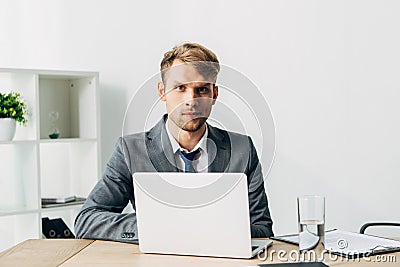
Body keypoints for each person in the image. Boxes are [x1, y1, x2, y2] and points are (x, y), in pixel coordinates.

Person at [74, 43, 273, 243]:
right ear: (162, 92)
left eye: (202, 89)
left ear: (214, 95)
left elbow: (262, 228)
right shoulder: (131, 150)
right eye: (180, 88)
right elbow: (88, 221)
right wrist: (160, 224)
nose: (191, 100)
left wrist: (214, 228)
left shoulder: (242, 149)